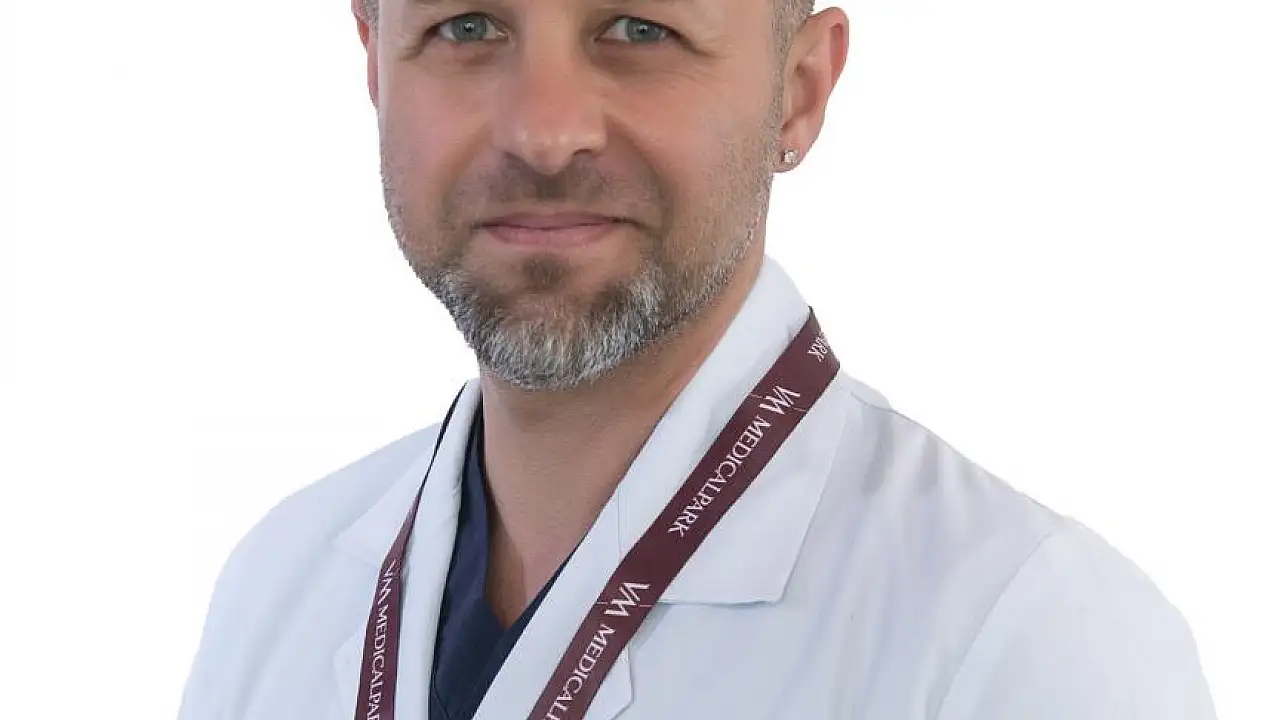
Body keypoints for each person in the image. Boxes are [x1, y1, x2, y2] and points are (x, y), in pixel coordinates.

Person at [177, 0, 1217, 718]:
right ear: (374, 60)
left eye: (639, 29)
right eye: (467, 26)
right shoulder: (280, 584)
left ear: (797, 90)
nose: (543, 132)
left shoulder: (1029, 639)